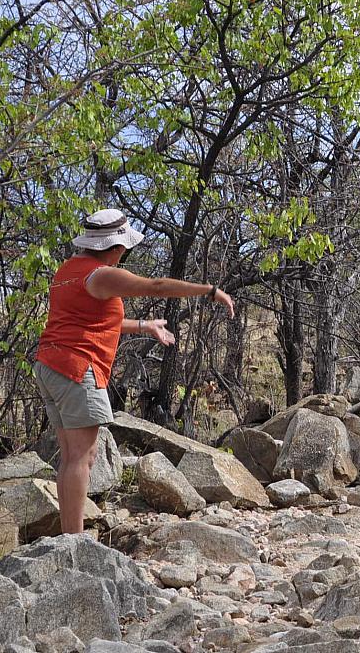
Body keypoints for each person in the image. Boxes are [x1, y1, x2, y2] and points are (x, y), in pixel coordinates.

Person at [33, 209, 235, 534]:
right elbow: (155, 287)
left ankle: (71, 534)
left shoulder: (68, 270)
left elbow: (91, 322)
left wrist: (145, 326)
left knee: (72, 456)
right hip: (77, 368)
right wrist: (208, 291)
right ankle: (74, 540)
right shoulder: (101, 274)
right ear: (115, 246)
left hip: (51, 365)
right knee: (80, 458)